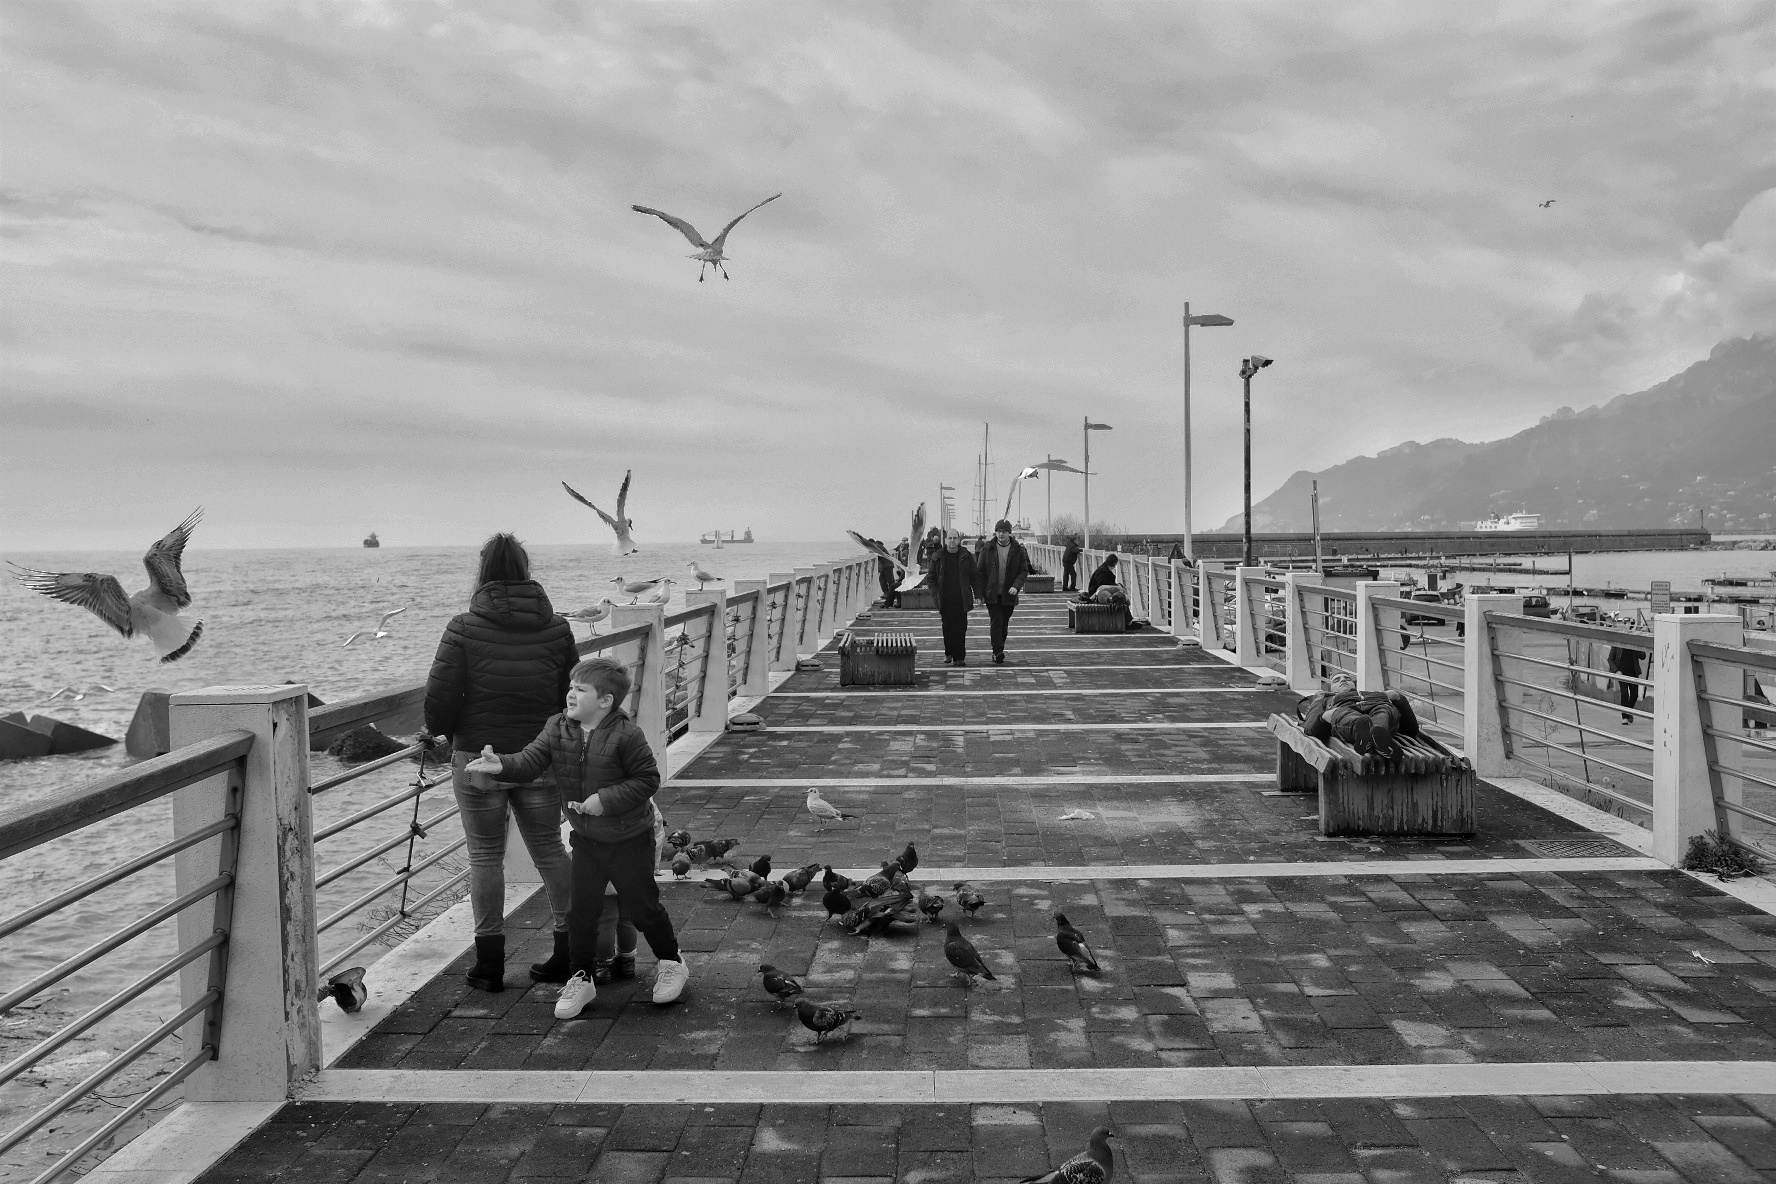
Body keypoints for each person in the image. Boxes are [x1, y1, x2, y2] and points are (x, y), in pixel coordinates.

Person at [466, 656, 690, 1015]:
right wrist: (503, 764)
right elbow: (531, 760)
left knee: (643, 909)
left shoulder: (627, 735)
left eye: (580, 689)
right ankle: (581, 978)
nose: (570, 694)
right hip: (587, 838)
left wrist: (606, 799)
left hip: (630, 838)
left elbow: (648, 779)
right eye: (571, 687)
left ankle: (672, 962)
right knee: (580, 913)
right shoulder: (557, 727)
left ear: (605, 701)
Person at [424, 533, 577, 993]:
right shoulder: (557, 628)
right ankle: (570, 951)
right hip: (540, 755)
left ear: (484, 572)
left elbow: (440, 696)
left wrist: (446, 734)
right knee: (549, 848)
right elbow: (571, 696)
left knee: (485, 856)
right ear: (526, 571)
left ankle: (489, 965)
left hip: (479, 757)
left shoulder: (463, 626)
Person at [1299, 673, 1421, 757]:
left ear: (1354, 685)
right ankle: (1364, 733)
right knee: (1344, 715)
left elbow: (1410, 729)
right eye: (1337, 680)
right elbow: (1309, 728)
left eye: (1347, 679)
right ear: (1331, 689)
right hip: (1344, 711)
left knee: (1384, 709)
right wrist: (1324, 717)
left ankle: (1377, 734)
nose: (1343, 680)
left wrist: (1398, 698)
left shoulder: (1368, 694)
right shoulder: (1325, 699)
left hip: (1375, 707)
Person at [975, 518, 1031, 664]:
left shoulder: (1018, 549)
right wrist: (979, 595)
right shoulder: (987, 548)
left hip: (1009, 594)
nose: (1001, 534)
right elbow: (980, 572)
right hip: (992, 593)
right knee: (997, 622)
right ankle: (997, 651)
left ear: (1009, 533)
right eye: (999, 531)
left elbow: (1023, 571)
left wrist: (1016, 586)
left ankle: (999, 647)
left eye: (1004, 532)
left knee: (1004, 623)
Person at [924, 528, 978, 665]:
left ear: (959, 540)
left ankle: (959, 657)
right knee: (948, 627)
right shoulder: (937, 556)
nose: (952, 541)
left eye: (955, 538)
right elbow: (931, 578)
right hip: (945, 598)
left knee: (961, 627)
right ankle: (948, 652)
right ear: (946, 540)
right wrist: (936, 594)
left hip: (961, 598)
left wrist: (978, 595)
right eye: (950, 538)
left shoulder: (966, 556)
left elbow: (974, 576)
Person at [1607, 645, 1645, 725]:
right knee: (1624, 693)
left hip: (1633, 673)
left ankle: (1628, 711)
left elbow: (1643, 656)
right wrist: (1616, 671)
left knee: (1634, 695)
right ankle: (1625, 717)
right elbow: (1610, 659)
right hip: (1622, 673)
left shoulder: (1634, 643)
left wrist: (1635, 648)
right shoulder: (1618, 644)